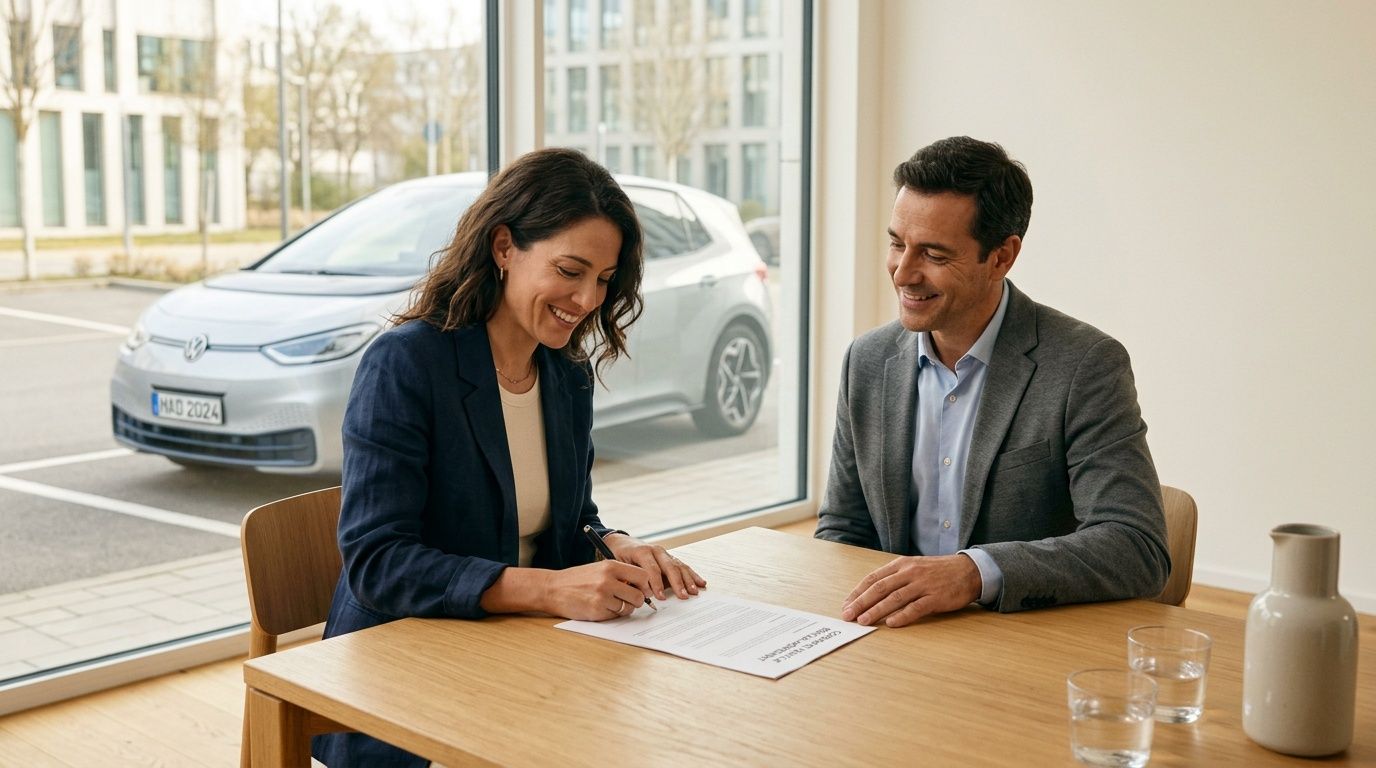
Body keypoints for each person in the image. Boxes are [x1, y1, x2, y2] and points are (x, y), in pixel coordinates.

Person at [314, 148, 706, 767]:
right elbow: (378, 562)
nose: (587, 299)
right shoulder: (407, 364)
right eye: (570, 270)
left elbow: (568, 519)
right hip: (402, 679)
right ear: (504, 247)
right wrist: (549, 590)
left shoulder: (565, 374)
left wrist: (614, 543)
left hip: (520, 658)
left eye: (604, 279)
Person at [815, 136, 1169, 628]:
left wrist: (973, 573)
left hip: (1020, 639)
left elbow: (1137, 547)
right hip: (896, 637)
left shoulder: (1085, 365)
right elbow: (843, 529)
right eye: (897, 244)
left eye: (934, 254)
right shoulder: (867, 360)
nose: (903, 273)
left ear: (1002, 257)